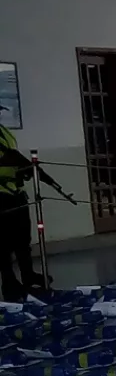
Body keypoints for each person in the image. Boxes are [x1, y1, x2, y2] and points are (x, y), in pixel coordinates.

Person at [0, 106, 43, 300]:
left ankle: (28, 276)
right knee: (3, 244)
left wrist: (23, 170)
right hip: (1, 194)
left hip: (15, 191)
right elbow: (7, 157)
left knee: (23, 239)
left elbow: (13, 155)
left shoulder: (4, 131)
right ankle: (9, 283)